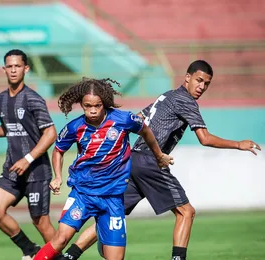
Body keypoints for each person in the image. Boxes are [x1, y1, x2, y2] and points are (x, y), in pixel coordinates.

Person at [57, 60, 262, 260]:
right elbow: (204, 138)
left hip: (133, 161)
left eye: (206, 83)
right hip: (150, 162)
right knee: (186, 212)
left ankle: (69, 256)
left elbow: (138, 118)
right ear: (187, 77)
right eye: (199, 80)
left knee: (111, 215)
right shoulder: (186, 101)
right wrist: (238, 144)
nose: (202, 86)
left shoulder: (167, 96)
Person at [33, 78, 174, 260]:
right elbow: (58, 150)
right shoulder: (75, 127)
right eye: (87, 106)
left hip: (113, 199)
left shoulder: (123, 119)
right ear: (81, 105)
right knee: (60, 239)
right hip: (83, 195)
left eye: (97, 105)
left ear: (104, 103)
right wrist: (57, 177)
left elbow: (145, 131)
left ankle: (103, 234)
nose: (92, 110)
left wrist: (159, 155)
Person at [0, 49, 58, 260]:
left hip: (36, 171)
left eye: (17, 66)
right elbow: (9, 126)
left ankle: (60, 259)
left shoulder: (33, 99)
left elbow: (50, 133)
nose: (13, 70)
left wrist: (28, 158)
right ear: (4, 69)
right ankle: (29, 249)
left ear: (26, 69)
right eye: (9, 66)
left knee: (40, 222)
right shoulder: (0, 99)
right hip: (12, 170)